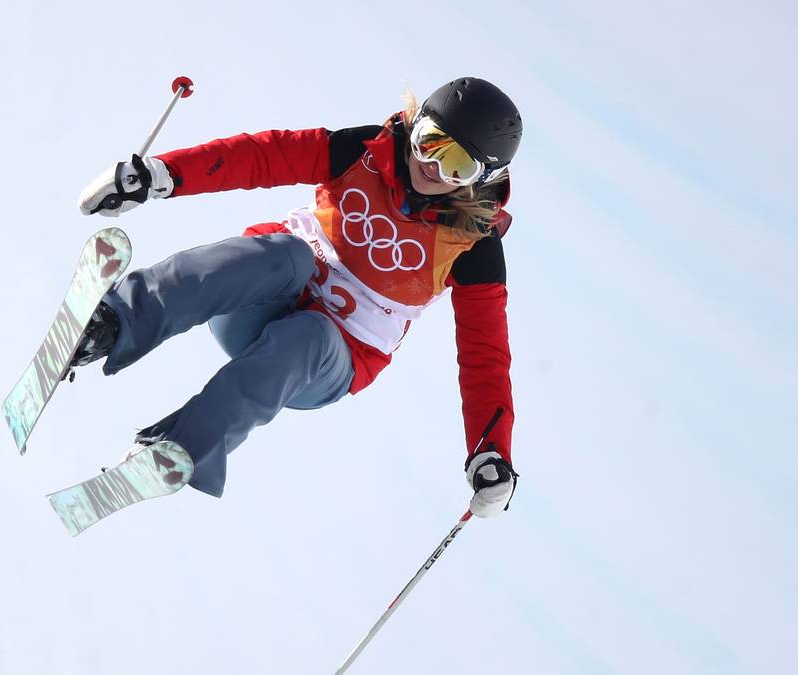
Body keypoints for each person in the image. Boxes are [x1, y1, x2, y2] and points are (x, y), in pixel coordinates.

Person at [74, 76, 522, 518]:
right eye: (430, 142)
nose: (432, 167)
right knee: (288, 254)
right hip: (257, 300)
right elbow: (264, 156)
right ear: (417, 122)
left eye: (457, 166)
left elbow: (485, 355)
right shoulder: (366, 151)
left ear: (481, 179)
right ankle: (113, 325)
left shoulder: (473, 245)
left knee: (308, 335)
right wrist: (164, 176)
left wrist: (491, 451)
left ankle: (176, 453)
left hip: (329, 358)